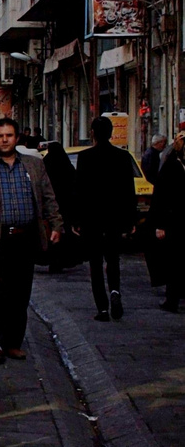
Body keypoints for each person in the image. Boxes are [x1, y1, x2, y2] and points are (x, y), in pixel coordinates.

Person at [0, 118, 63, 364]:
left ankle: (13, 342)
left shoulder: (34, 165)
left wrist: (56, 224)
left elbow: (48, 197)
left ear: (17, 138)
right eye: (0, 136)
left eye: (9, 135)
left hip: (25, 238)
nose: (4, 140)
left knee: (20, 294)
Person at [75, 117, 137, 321]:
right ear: (111, 133)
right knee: (113, 259)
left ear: (92, 132)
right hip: (114, 218)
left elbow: (80, 192)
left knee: (95, 263)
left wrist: (77, 219)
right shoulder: (122, 157)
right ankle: (115, 291)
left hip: (92, 219)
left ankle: (102, 308)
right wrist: (130, 221)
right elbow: (129, 191)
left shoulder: (85, 158)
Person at [152, 132, 185, 313]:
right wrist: (160, 224)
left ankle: (173, 298)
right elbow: (162, 196)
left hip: (176, 221)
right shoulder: (172, 166)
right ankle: (172, 299)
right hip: (174, 221)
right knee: (174, 261)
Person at [42, 142, 80, 272]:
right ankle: (62, 260)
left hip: (50, 205)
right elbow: (74, 185)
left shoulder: (46, 163)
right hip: (65, 204)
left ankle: (51, 259)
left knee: (52, 232)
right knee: (63, 232)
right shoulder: (66, 165)